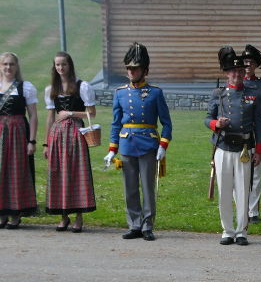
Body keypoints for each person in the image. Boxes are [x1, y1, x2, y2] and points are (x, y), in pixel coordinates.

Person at [104, 43, 172, 242]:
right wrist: (111, 149)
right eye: (129, 68)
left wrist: (163, 146)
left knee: (148, 188)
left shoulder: (156, 93)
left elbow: (166, 124)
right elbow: (116, 123)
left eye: (135, 68)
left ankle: (147, 225)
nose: (131, 72)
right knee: (130, 187)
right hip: (127, 144)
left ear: (145, 70)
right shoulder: (120, 93)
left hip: (148, 145)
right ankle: (134, 224)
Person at [205, 47, 261, 246]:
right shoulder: (219, 94)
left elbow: (259, 125)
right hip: (223, 147)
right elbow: (207, 119)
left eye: (240, 71)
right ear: (227, 73)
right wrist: (216, 124)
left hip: (244, 149)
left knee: (243, 192)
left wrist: (259, 150)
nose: (237, 75)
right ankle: (227, 230)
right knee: (225, 191)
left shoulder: (252, 95)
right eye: (233, 72)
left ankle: (241, 231)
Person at [43, 52, 96, 232]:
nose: (60, 68)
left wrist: (71, 113)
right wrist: (46, 143)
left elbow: (92, 113)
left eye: (63, 64)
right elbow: (50, 117)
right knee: (59, 173)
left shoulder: (82, 86)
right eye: (57, 65)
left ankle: (79, 217)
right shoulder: (52, 88)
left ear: (69, 65)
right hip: (57, 135)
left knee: (76, 173)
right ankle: (63, 216)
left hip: (75, 133)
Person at [0, 52, 38, 227]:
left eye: (12, 64)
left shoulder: (25, 87)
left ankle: (16, 213)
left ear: (17, 66)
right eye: (5, 64)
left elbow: (33, 115)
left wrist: (32, 141)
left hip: (18, 133)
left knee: (16, 172)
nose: (8, 67)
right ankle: (2, 213)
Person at [241, 45, 261, 225]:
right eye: (245, 62)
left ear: (256, 65)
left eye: (251, 62)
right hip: (238, 135)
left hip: (257, 134)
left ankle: (253, 212)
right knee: (238, 174)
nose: (248, 65)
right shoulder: (236, 83)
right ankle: (241, 209)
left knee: (255, 175)